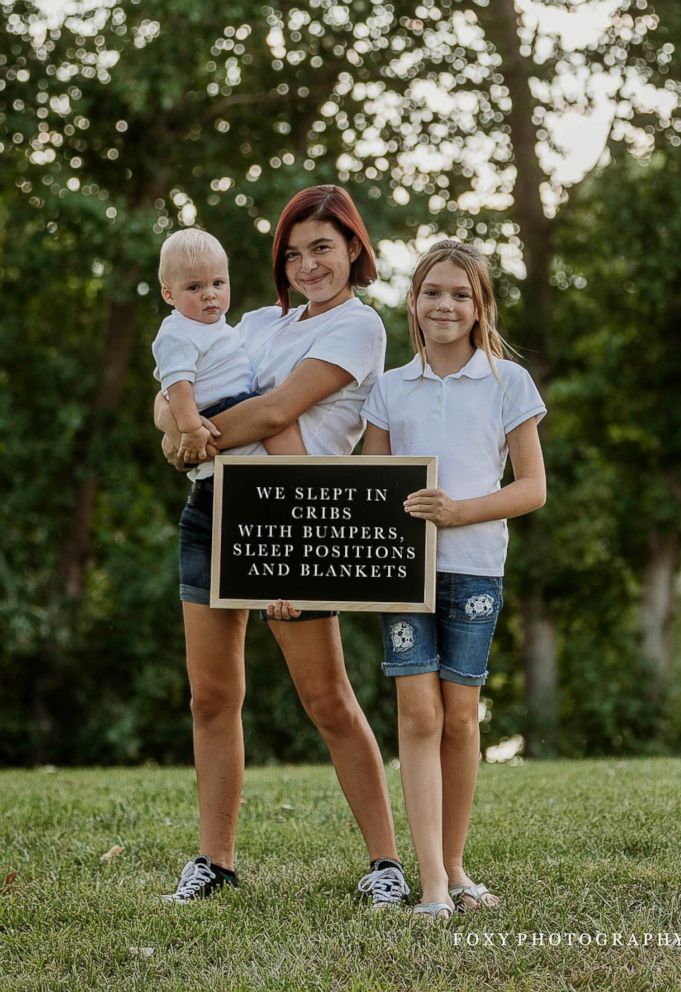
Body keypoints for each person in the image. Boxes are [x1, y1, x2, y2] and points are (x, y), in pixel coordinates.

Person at [154, 186, 409, 908]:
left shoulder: (359, 328)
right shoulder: (255, 321)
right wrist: (177, 427)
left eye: (322, 247)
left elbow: (272, 411)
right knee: (211, 695)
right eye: (293, 253)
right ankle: (215, 861)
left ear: (354, 248)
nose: (307, 265)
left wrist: (188, 433)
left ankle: (385, 862)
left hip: (296, 519)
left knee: (325, 696)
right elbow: (172, 385)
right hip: (212, 511)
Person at [361, 239, 547, 921]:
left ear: (480, 307)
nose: (445, 304)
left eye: (460, 294)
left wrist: (461, 510)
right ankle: (432, 884)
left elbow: (532, 488)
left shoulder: (508, 383)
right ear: (414, 302)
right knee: (418, 714)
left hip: (474, 569)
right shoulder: (388, 387)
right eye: (433, 291)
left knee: (461, 720)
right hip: (403, 574)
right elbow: (372, 487)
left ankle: (458, 865)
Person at [153, 228, 305, 464]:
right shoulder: (176, 332)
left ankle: (297, 478)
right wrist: (191, 429)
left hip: (230, 404)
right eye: (195, 287)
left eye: (218, 283)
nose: (209, 294)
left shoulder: (216, 327)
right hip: (213, 410)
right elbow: (178, 385)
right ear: (169, 294)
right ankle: (306, 478)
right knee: (278, 424)